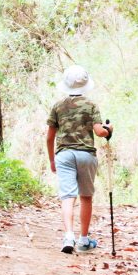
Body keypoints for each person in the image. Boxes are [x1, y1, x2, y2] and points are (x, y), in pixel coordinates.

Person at [47, 65, 113, 254]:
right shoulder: (91, 105)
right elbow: (100, 132)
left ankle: (69, 235)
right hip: (86, 155)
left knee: (68, 196)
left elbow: (49, 137)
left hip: (64, 154)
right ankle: (84, 240)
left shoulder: (58, 106)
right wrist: (110, 129)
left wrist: (52, 159)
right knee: (86, 197)